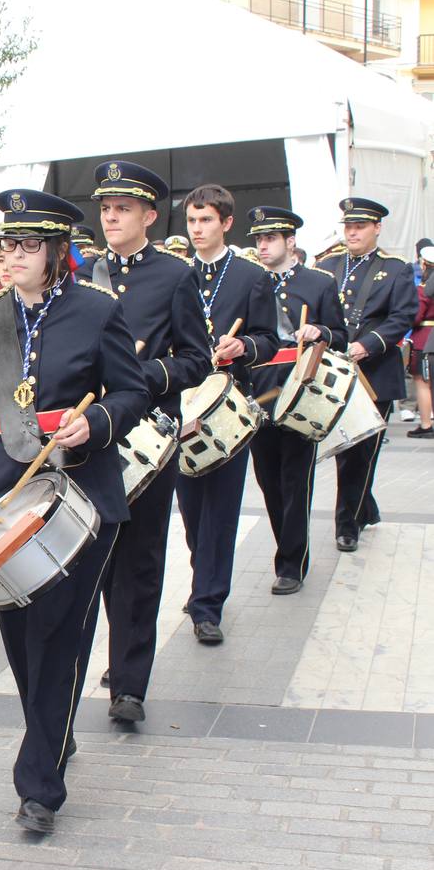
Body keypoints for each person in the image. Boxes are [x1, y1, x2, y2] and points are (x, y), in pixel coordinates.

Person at [0, 188, 146, 835]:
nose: (13, 257)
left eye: (28, 246)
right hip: (3, 494)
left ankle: (39, 787)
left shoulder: (96, 311)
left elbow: (133, 391)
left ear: (57, 253)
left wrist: (99, 424)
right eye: (8, 245)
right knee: (20, 636)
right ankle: (52, 732)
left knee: (58, 637)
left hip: (80, 496)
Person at [88, 161, 210, 722]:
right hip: (93, 436)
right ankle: (116, 653)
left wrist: (145, 376)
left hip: (148, 438)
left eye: (124, 209)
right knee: (98, 557)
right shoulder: (87, 272)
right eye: (107, 209)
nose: (112, 217)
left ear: (149, 216)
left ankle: (131, 682)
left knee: (140, 560)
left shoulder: (174, 275)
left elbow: (196, 359)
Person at [177, 183, 279, 644]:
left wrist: (244, 346)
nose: (198, 229)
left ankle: (208, 603)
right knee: (191, 510)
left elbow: (269, 339)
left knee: (221, 509)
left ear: (226, 224)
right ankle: (205, 578)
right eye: (193, 221)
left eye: (206, 221)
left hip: (228, 405)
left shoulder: (250, 275)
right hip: (181, 406)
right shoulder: (174, 273)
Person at [247, 207, 347, 595]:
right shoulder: (249, 282)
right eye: (258, 239)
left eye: (270, 239)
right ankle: (285, 548)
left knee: (296, 480)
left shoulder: (318, 282)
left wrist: (320, 329)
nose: (262, 246)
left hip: (301, 390)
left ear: (290, 241)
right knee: (270, 482)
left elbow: (340, 332)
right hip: (259, 390)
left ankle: (292, 562)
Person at [316, 198, 418, 552]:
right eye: (348, 226)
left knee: (362, 451)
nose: (353, 232)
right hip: (330, 373)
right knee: (346, 449)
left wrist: (367, 345)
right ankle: (363, 508)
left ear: (377, 228)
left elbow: (402, 317)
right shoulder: (327, 265)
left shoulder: (396, 268)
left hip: (373, 373)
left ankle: (347, 524)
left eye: (360, 226)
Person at [406, 243, 434, 437]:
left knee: (422, 382)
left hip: (425, 339)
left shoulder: (424, 289)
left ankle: (426, 424)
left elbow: (415, 316)